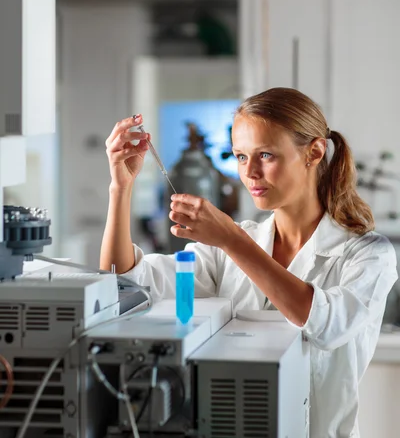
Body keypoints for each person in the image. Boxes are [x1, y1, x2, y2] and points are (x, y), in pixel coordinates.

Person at [100, 87, 398, 438]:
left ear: (314, 152)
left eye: (266, 155)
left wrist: (231, 239)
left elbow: (324, 324)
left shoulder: (367, 254)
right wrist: (120, 189)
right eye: (241, 157)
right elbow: (122, 287)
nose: (250, 172)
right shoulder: (232, 246)